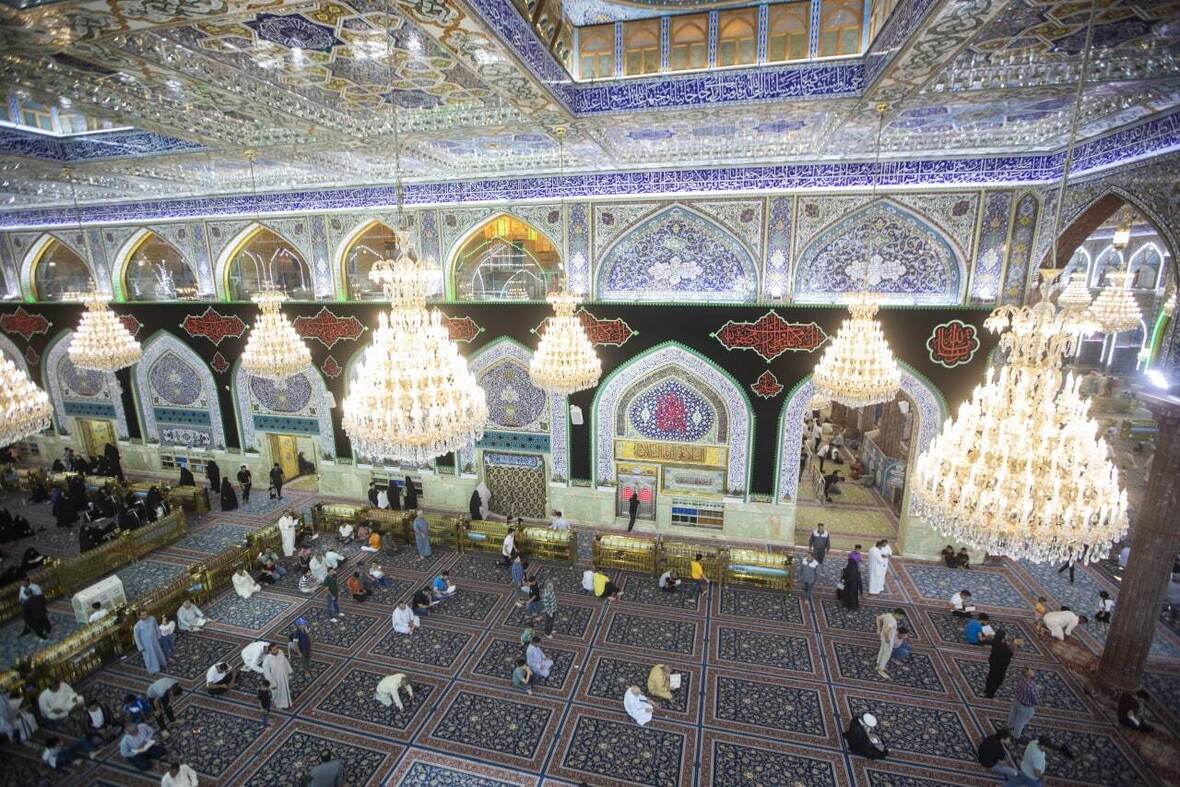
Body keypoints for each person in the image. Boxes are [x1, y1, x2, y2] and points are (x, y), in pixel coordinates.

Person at [1007, 667, 1039, 738]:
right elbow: (1036, 699)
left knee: (1013, 714)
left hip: (1017, 700)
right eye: (1031, 671)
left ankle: (1009, 726)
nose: (1033, 672)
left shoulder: (1020, 678)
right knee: (1020, 721)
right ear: (1029, 676)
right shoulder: (1031, 687)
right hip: (1025, 706)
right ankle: (1016, 735)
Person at [984, 630, 1017, 698]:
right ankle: (990, 694)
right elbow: (1010, 654)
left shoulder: (995, 642)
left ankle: (987, 690)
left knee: (991, 677)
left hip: (993, 663)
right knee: (996, 680)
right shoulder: (1003, 647)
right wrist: (1014, 646)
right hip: (1000, 666)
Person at [134, 610, 167, 675]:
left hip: (154, 640)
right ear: (140, 616)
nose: (145, 616)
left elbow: (156, 627)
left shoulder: (152, 619)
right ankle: (153, 669)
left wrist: (158, 636)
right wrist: (140, 647)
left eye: (146, 614)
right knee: (150, 656)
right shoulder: (137, 625)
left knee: (158, 652)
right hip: (146, 644)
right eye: (143, 615)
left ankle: (162, 663)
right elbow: (136, 637)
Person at [874, 608, 903, 679]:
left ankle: (878, 664)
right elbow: (886, 630)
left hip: (882, 637)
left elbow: (878, 618)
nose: (901, 618)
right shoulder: (893, 622)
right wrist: (888, 639)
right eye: (901, 616)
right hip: (888, 640)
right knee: (886, 655)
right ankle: (881, 669)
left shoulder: (888, 615)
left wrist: (878, 629)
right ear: (897, 614)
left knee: (882, 650)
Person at [262, 644, 292, 710]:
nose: (276, 650)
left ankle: (287, 703)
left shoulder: (280, 652)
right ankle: (280, 705)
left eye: (277, 648)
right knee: (278, 692)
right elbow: (267, 673)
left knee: (285, 689)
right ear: (270, 651)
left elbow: (285, 661)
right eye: (274, 650)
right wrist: (272, 683)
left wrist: (289, 671)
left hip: (284, 675)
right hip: (276, 679)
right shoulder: (267, 660)